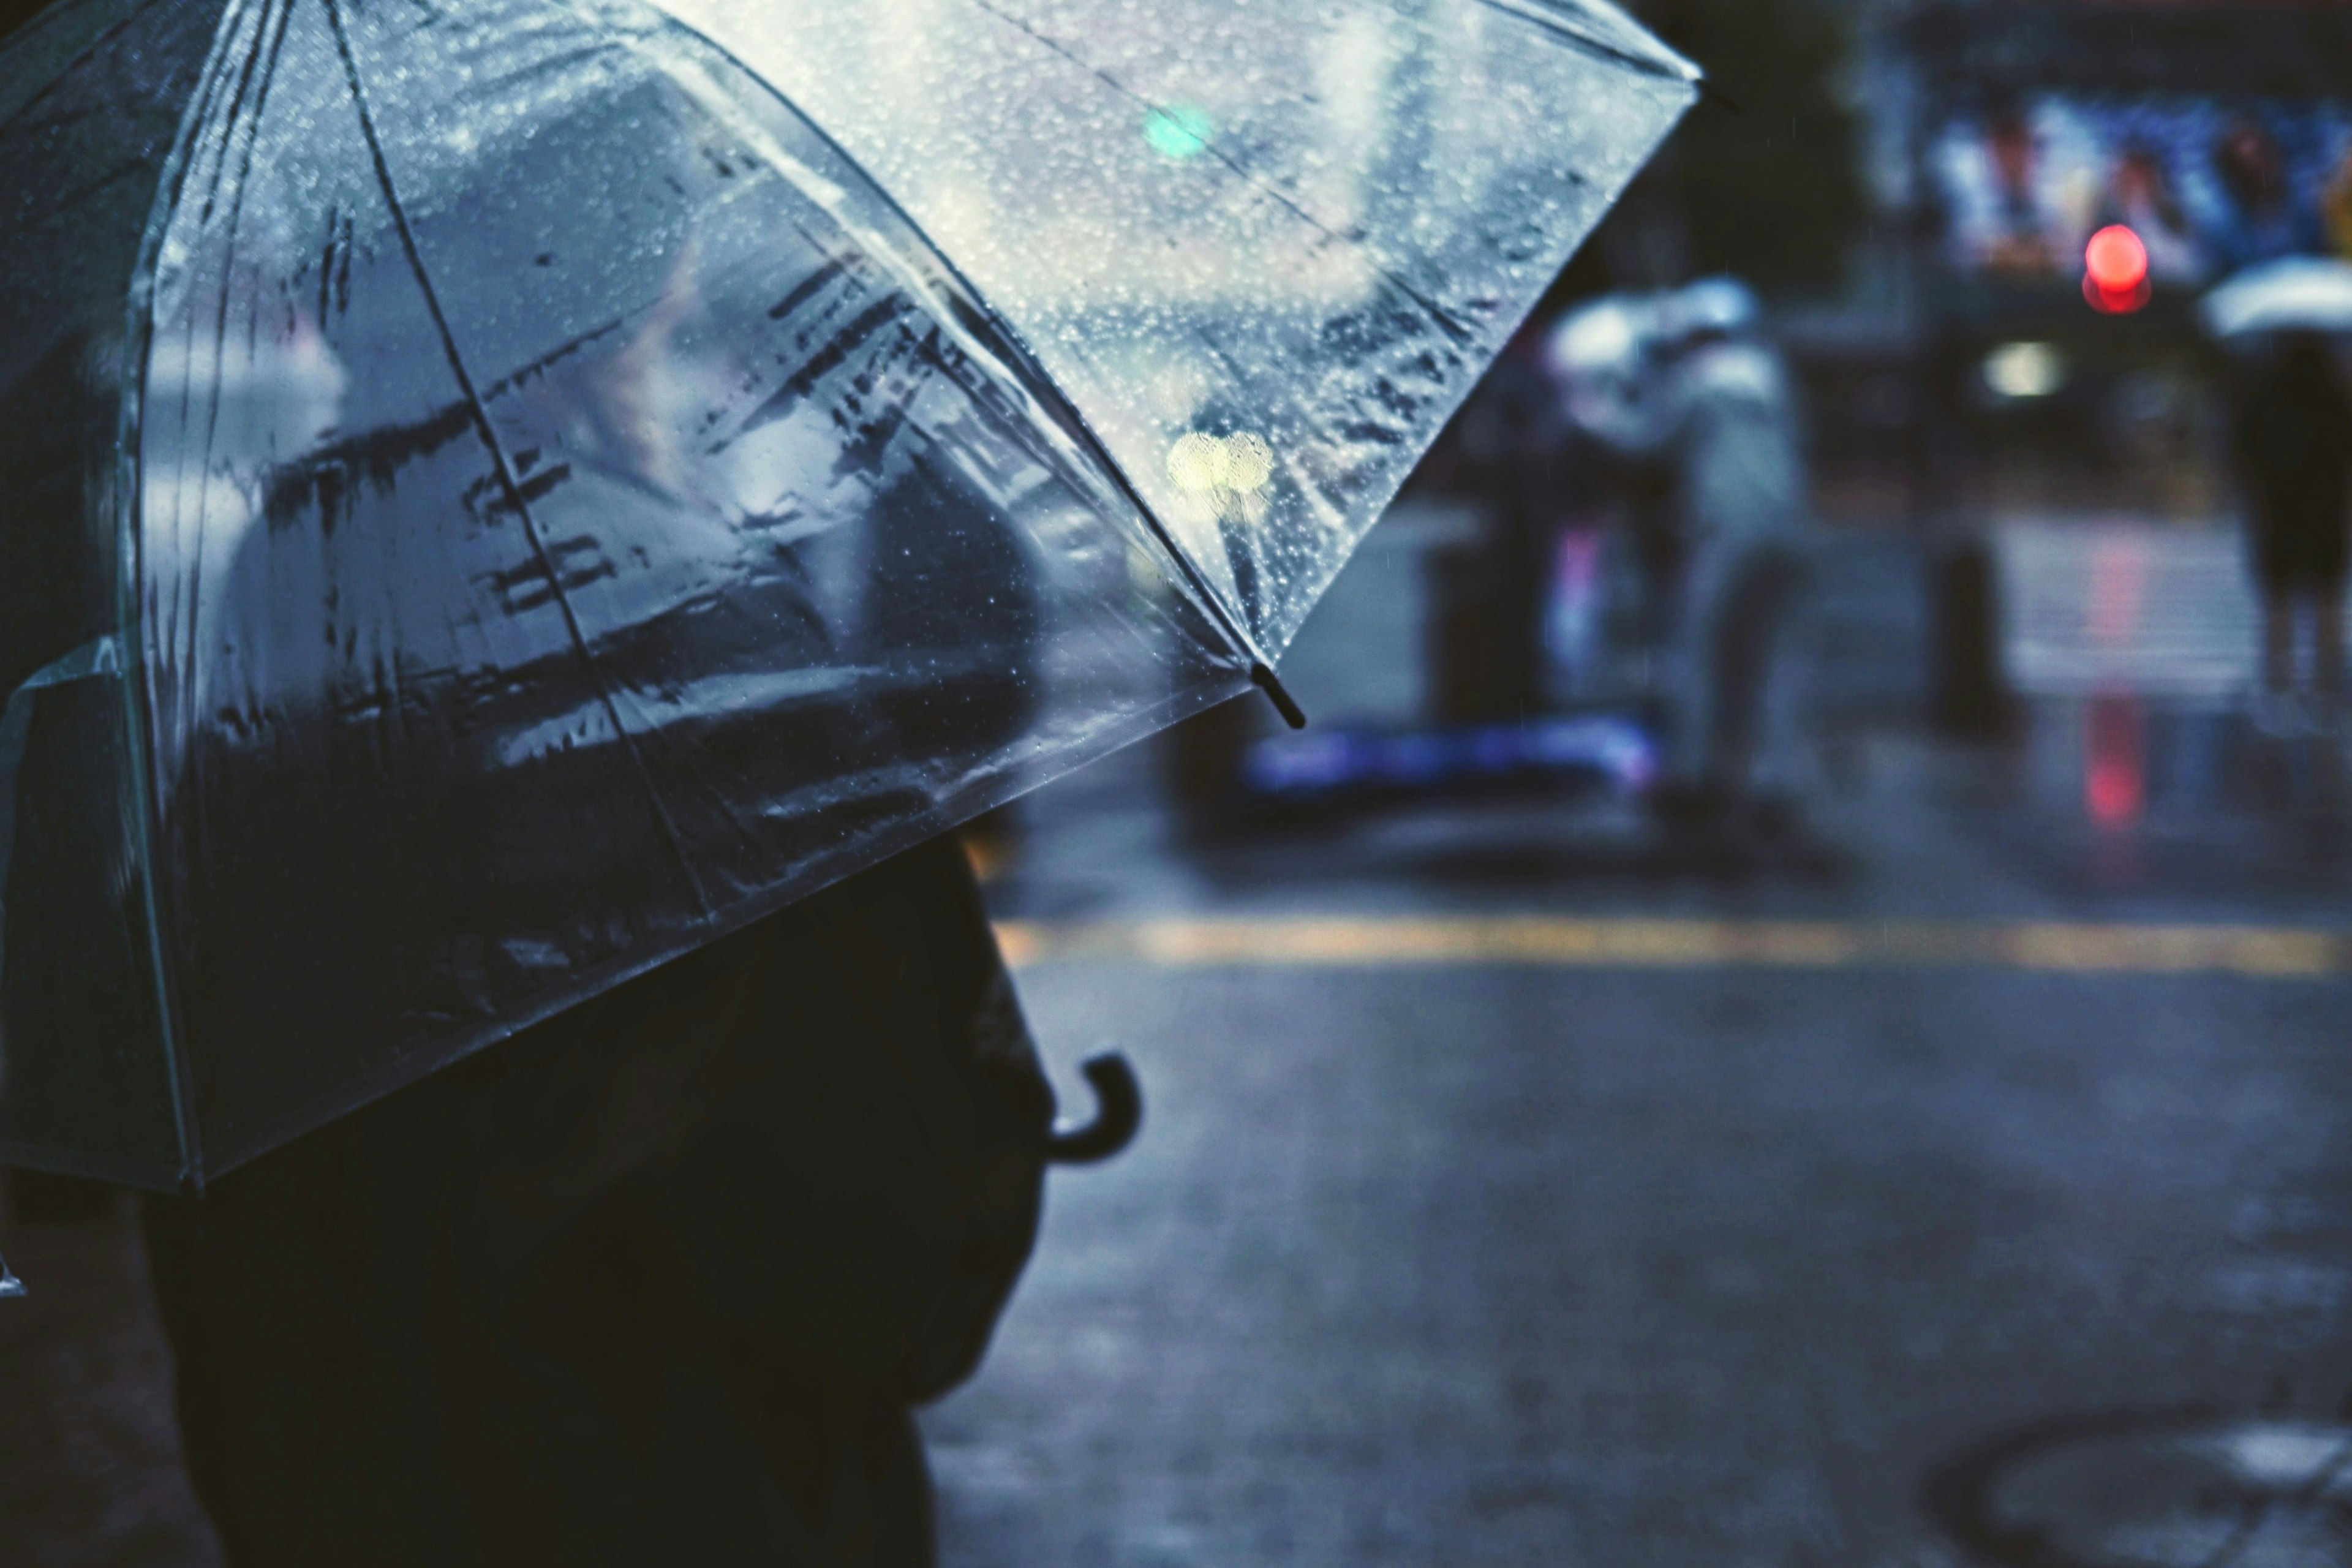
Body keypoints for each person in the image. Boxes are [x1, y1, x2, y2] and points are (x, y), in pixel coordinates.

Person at [141, 832, 1059, 1567]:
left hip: (357, 1509)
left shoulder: (218, 829)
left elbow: (230, 1322)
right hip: (722, 1511)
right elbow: (908, 1278)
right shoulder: (764, 777)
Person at [2228, 331, 2352, 722]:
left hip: (2277, 512)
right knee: (2326, 599)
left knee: (2276, 600)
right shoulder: (2337, 399)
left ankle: (2276, 678)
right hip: (2327, 512)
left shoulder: (2263, 397)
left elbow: (2242, 451)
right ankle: (2326, 679)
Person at [2204, 121, 2324, 277]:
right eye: (2245, 164)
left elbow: (2321, 261)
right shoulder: (2224, 226)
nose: (2257, 169)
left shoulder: (2304, 207)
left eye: (2261, 158)